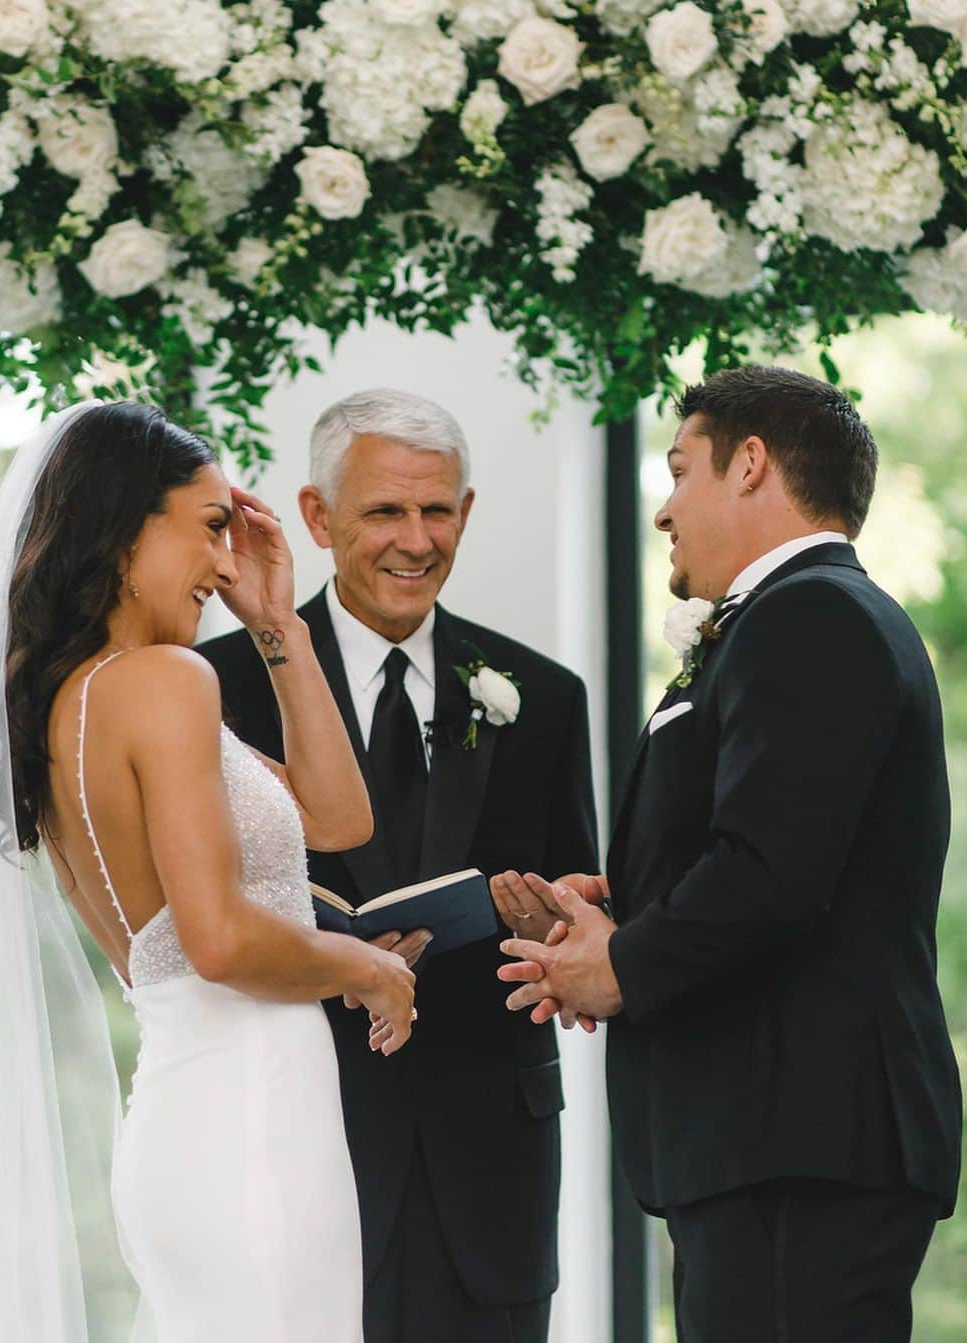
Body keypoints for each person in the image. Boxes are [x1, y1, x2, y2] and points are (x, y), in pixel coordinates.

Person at [0, 400, 415, 1342]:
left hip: (188, 1124)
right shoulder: (168, 683)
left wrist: (276, 625)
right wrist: (372, 969)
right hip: (253, 1127)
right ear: (125, 526)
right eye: (212, 528)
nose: (227, 563)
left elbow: (338, 818)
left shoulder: (75, 700)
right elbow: (216, 938)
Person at [497, 366, 962, 1343]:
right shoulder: (788, 621)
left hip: (798, 1139)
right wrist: (623, 897)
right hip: (770, 1137)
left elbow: (771, 873)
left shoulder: (813, 616)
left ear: (750, 463)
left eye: (679, 472)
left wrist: (620, 964)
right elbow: (790, 841)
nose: (664, 511)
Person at [199, 388, 598, 1343]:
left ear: (465, 512)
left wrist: (553, 929)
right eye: (385, 511)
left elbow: (579, 899)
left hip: (489, 1155)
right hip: (300, 1131)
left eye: (438, 510)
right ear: (318, 516)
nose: (415, 539)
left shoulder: (542, 695)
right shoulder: (216, 688)